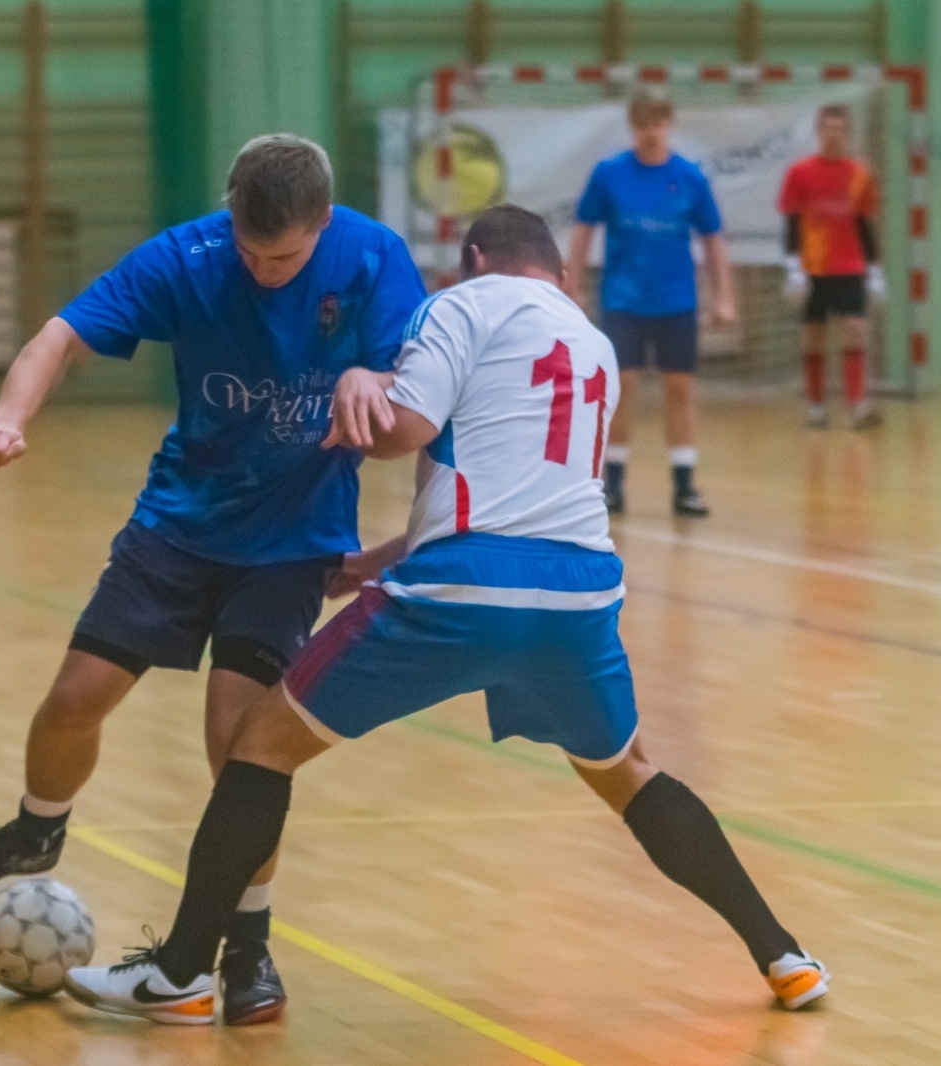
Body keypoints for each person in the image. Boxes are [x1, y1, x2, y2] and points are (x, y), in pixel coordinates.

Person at [61, 204, 828, 1025]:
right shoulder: (593, 342)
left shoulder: (461, 303)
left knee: (257, 746)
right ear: (560, 273)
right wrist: (371, 563)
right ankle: (784, 955)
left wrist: (363, 382)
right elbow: (520, 491)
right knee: (626, 771)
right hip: (578, 592)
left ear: (472, 259)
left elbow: (405, 432)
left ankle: (183, 973)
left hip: (460, 592)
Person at [0, 134, 426, 1025]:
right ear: (229, 213)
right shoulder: (186, 255)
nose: (265, 272)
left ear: (323, 227)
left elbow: (415, 390)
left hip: (291, 543)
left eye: (287, 258)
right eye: (250, 250)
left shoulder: (373, 254)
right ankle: (38, 826)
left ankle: (249, 951)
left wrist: (370, 373)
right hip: (179, 526)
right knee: (76, 696)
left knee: (241, 750)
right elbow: (61, 336)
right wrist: (6, 419)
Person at [564, 90, 736, 518]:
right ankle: (614, 482)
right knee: (622, 387)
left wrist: (725, 296)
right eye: (642, 125)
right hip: (624, 300)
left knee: (680, 388)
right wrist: (573, 284)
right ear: (632, 127)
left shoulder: (690, 177)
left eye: (658, 124)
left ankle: (684, 484)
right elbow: (584, 228)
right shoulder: (609, 175)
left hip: (676, 300)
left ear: (669, 125)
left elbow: (713, 239)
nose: (650, 133)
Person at [778, 103, 885, 430]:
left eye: (840, 129)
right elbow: (792, 221)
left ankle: (857, 406)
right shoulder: (800, 172)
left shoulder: (858, 175)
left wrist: (876, 269)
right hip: (814, 266)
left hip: (850, 265)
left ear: (847, 133)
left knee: (856, 329)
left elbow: (865, 223)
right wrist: (794, 267)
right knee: (813, 335)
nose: (834, 135)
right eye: (828, 128)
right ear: (819, 131)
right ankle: (815, 407)